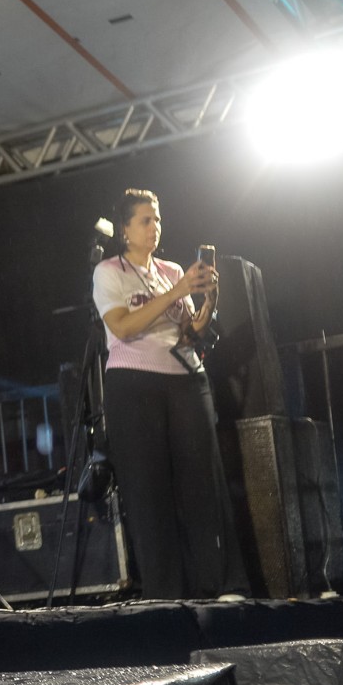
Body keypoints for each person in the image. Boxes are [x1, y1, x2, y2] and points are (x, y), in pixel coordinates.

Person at [91, 188, 249, 601]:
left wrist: (209, 301)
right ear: (124, 229)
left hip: (184, 377)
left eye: (157, 219)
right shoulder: (109, 271)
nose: (154, 227)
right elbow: (122, 327)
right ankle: (165, 594)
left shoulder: (171, 270)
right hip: (133, 382)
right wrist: (176, 293)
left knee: (203, 482)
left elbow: (190, 333)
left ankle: (222, 582)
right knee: (149, 490)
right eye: (145, 220)